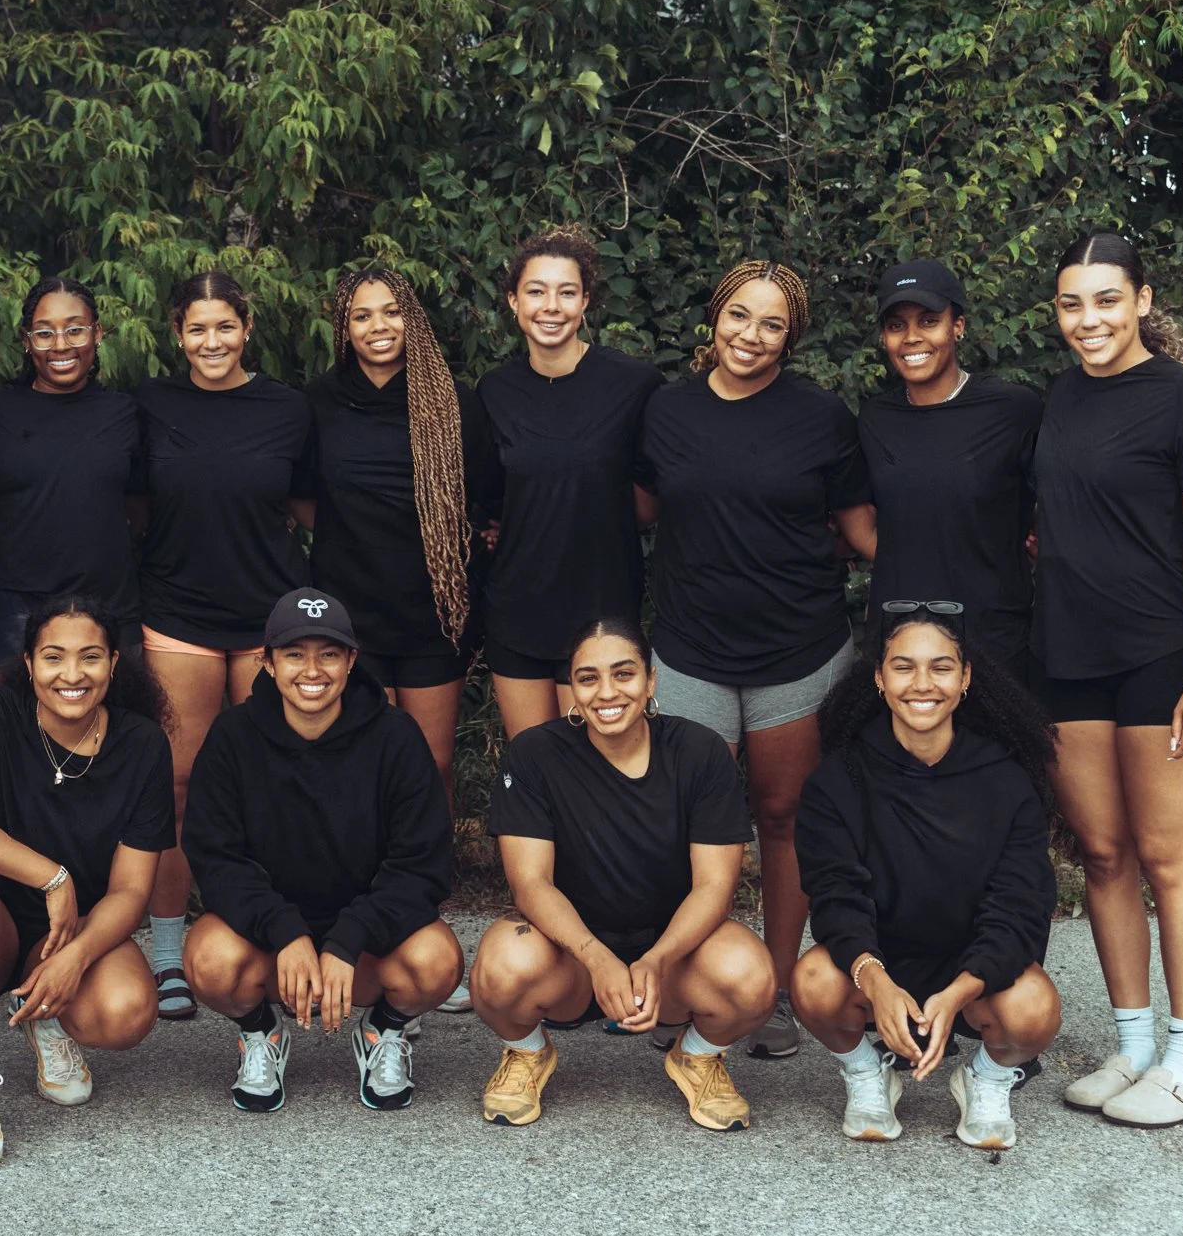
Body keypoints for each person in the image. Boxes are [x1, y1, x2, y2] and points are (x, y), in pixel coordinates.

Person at [635, 259, 875, 1059]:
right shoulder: (666, 411)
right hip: (690, 648)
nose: (752, 335)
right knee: (680, 823)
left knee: (783, 818)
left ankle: (770, 989)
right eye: (740, 316)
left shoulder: (821, 417)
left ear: (792, 336)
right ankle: (676, 981)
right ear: (715, 317)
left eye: (772, 324)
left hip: (798, 651)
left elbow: (856, 526)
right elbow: (635, 506)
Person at [1034, 233, 1183, 1127]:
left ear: (1143, 301)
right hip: (1067, 657)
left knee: (1167, 858)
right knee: (1105, 856)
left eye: (1108, 300)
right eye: (1074, 304)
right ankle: (1134, 1048)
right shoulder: (1060, 400)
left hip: (1160, 656)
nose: (1091, 320)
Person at [470, 619, 776, 1130]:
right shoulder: (535, 755)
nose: (607, 692)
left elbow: (714, 888)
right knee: (503, 966)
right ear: (572, 688)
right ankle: (526, 1053)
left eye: (624, 674)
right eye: (588, 678)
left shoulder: (698, 751)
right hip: (569, 955)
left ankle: (697, 1057)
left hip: (671, 958)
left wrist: (655, 960)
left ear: (651, 681)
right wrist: (595, 957)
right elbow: (530, 884)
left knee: (750, 976)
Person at [0, 599, 172, 1166]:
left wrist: (74, 957)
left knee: (124, 1009)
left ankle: (49, 1017)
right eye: (53, 657)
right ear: (28, 663)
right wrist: (52, 878)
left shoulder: (143, 743)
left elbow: (130, 891)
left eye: (90, 657)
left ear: (114, 663)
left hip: (71, 931)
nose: (72, 675)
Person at [792, 603, 1061, 1150]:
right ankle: (869, 1073)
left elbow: (1020, 906)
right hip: (881, 964)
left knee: (1035, 1008)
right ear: (878, 677)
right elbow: (835, 897)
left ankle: (984, 1078)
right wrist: (876, 980)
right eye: (903, 666)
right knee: (812, 982)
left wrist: (962, 989)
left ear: (965, 680)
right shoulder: (837, 778)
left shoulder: (1006, 780)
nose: (922, 684)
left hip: (972, 969)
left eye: (941, 667)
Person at [181, 589, 460, 1113]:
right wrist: (284, 931)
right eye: (294, 653)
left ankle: (383, 1031)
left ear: (352, 661)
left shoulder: (396, 736)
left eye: (329, 653)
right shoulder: (233, 737)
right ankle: (260, 1032)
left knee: (437, 961)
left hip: (366, 940)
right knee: (210, 959)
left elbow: (421, 864)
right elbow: (216, 857)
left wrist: (349, 938)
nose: (313, 669)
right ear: (265, 661)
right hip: (271, 938)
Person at [299, 267, 494, 1014]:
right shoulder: (319, 403)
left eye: (391, 312)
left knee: (430, 766)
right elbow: (303, 497)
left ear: (412, 318)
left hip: (430, 610)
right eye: (360, 316)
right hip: (347, 616)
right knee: (353, 769)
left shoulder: (454, 403)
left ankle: (421, 921)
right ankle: (354, 921)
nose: (378, 326)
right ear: (343, 330)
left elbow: (486, 501)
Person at [132, 272, 317, 1019]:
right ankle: (172, 950)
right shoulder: (150, 405)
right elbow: (131, 500)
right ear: (178, 335)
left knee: (283, 783)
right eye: (196, 329)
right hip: (178, 612)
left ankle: (290, 937)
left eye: (225, 327)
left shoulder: (288, 408)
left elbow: (310, 508)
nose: (212, 342)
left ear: (247, 328)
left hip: (271, 618)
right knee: (174, 783)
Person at [475, 227, 662, 741]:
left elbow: (650, 502)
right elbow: (490, 498)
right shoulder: (494, 391)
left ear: (586, 301)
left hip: (600, 610)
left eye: (566, 291)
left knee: (598, 774)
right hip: (517, 608)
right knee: (535, 769)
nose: (550, 306)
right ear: (514, 301)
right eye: (536, 291)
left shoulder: (633, 384)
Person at [860, 259, 1044, 679]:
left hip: (995, 640)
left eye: (928, 321)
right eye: (896, 325)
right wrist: (907, 564)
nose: (912, 338)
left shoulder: (1013, 409)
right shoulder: (874, 419)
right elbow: (861, 520)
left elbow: (1059, 498)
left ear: (957, 326)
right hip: (901, 644)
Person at [0, 278, 142, 680]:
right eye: (44, 333)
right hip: (21, 610)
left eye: (75, 329)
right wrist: (32, 518)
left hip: (112, 605)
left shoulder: (125, 413)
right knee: (18, 734)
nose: (61, 345)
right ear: (27, 341)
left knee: (121, 733)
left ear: (97, 333)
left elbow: (138, 502)